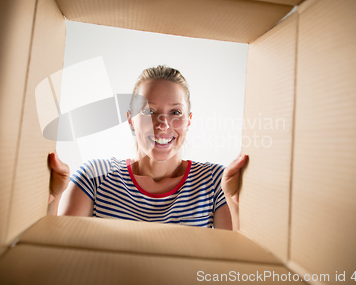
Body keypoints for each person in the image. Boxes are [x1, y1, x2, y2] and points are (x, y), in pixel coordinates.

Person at [47, 65, 248, 230]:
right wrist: (51, 201)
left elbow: (236, 264)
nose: (163, 124)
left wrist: (237, 205)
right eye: (148, 111)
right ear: (131, 120)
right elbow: (62, 259)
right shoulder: (94, 177)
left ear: (188, 121)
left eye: (175, 112)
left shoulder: (215, 183)